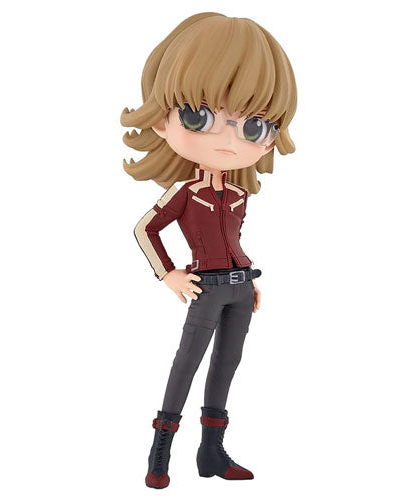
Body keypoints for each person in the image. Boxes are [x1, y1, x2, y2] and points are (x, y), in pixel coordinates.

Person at [121, 12, 297, 489]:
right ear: (162, 120)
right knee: (187, 362)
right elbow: (144, 229)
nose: (229, 139)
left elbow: (233, 239)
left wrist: (248, 279)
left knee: (226, 365)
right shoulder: (184, 191)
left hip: (240, 288)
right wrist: (169, 274)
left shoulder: (238, 195)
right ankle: (160, 449)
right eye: (199, 117)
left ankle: (211, 452)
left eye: (255, 126)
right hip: (206, 286)